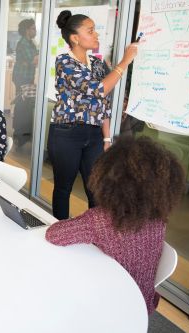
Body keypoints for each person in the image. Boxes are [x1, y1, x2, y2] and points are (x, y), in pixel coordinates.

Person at [45, 136, 185, 315]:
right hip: (142, 303)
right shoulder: (158, 220)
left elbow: (54, 235)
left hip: (108, 307)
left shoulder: (100, 219)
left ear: (107, 179)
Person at [48, 10, 139, 219]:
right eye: (90, 31)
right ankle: (59, 232)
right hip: (66, 133)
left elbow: (103, 103)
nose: (96, 34)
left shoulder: (97, 63)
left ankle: (96, 235)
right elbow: (99, 90)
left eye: (95, 30)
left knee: (96, 190)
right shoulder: (65, 62)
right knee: (63, 188)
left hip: (95, 135)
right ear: (75, 38)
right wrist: (125, 61)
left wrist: (106, 138)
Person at [12, 18, 39, 147]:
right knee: (22, 104)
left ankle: (21, 134)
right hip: (22, 77)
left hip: (27, 77)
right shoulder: (23, 43)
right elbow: (34, 60)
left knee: (24, 104)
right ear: (27, 30)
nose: (35, 30)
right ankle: (20, 134)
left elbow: (34, 58)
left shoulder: (30, 43)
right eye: (33, 28)